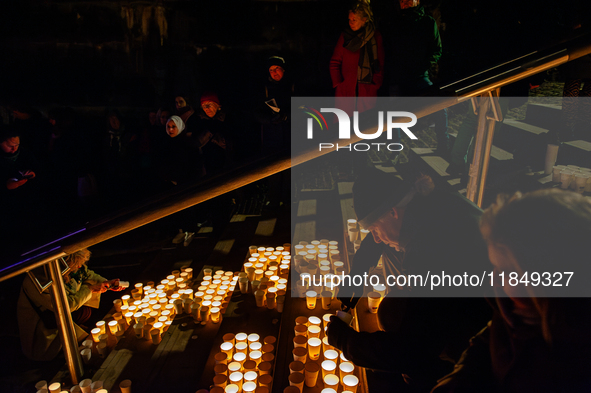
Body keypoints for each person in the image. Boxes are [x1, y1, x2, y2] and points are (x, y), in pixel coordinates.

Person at [326, 167, 491, 391]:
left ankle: (434, 377)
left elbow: (413, 349)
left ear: (393, 212)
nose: (374, 237)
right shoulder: (429, 203)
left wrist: (345, 341)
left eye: (374, 228)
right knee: (392, 307)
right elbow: (377, 239)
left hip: (487, 332)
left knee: (408, 347)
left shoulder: (431, 250)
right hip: (469, 297)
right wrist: (356, 275)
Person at [433, 189, 591, 392]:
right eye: (494, 267)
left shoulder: (575, 361)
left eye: (507, 271)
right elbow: (489, 342)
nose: (494, 280)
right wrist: (457, 380)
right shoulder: (512, 308)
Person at [17, 249, 123, 361]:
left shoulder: (73, 267)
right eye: (76, 265)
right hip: (46, 328)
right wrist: (89, 289)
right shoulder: (39, 281)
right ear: (65, 262)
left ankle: (79, 330)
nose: (78, 268)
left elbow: (87, 274)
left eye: (81, 264)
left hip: (69, 314)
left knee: (85, 311)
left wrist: (107, 283)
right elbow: (65, 305)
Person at [383, 0, 449, 156]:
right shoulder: (393, 23)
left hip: (419, 76)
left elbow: (436, 49)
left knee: (440, 107)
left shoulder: (427, 22)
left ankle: (444, 145)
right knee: (394, 115)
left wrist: (423, 65)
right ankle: (395, 150)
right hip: (398, 77)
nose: (404, 3)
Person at [329, 1, 385, 114]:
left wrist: (375, 85)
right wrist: (339, 84)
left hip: (366, 91)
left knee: (366, 127)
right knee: (345, 126)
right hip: (346, 92)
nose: (351, 23)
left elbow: (380, 63)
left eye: (354, 20)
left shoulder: (374, 37)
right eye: (349, 19)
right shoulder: (345, 37)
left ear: (364, 19)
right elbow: (334, 62)